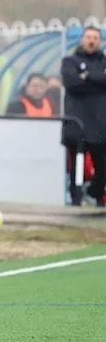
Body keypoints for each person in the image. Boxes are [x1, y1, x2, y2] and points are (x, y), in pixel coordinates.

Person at [61, 26, 106, 207]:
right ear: (82, 40)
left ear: (100, 41)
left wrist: (86, 76)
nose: (91, 41)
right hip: (77, 123)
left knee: (102, 167)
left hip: (100, 124)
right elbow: (72, 83)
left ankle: (95, 192)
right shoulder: (69, 61)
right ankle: (76, 200)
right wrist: (98, 81)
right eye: (88, 37)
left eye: (95, 38)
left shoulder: (103, 61)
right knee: (76, 167)